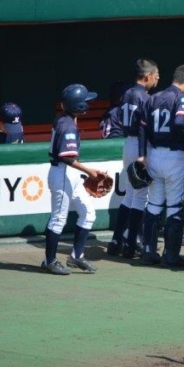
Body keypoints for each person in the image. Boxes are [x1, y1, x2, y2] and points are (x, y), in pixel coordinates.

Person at [41, 84, 102, 275]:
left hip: (69, 173)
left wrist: (84, 172)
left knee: (88, 213)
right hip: (62, 173)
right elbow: (66, 158)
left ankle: (76, 256)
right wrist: (89, 171)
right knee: (59, 219)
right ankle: (49, 261)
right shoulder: (67, 125)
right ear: (79, 106)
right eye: (85, 100)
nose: (89, 102)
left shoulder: (66, 119)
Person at [139, 65, 184, 267]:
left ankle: (148, 252)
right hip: (174, 156)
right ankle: (171, 256)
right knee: (174, 207)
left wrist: (142, 155)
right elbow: (181, 123)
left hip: (154, 154)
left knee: (154, 204)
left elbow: (142, 129)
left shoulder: (153, 97)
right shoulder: (183, 98)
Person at [106, 60, 159, 260]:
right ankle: (131, 244)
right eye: (156, 75)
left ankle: (116, 240)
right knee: (140, 195)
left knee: (129, 194)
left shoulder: (127, 93)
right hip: (140, 146)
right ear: (147, 76)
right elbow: (146, 128)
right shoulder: (144, 97)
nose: (157, 78)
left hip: (127, 143)